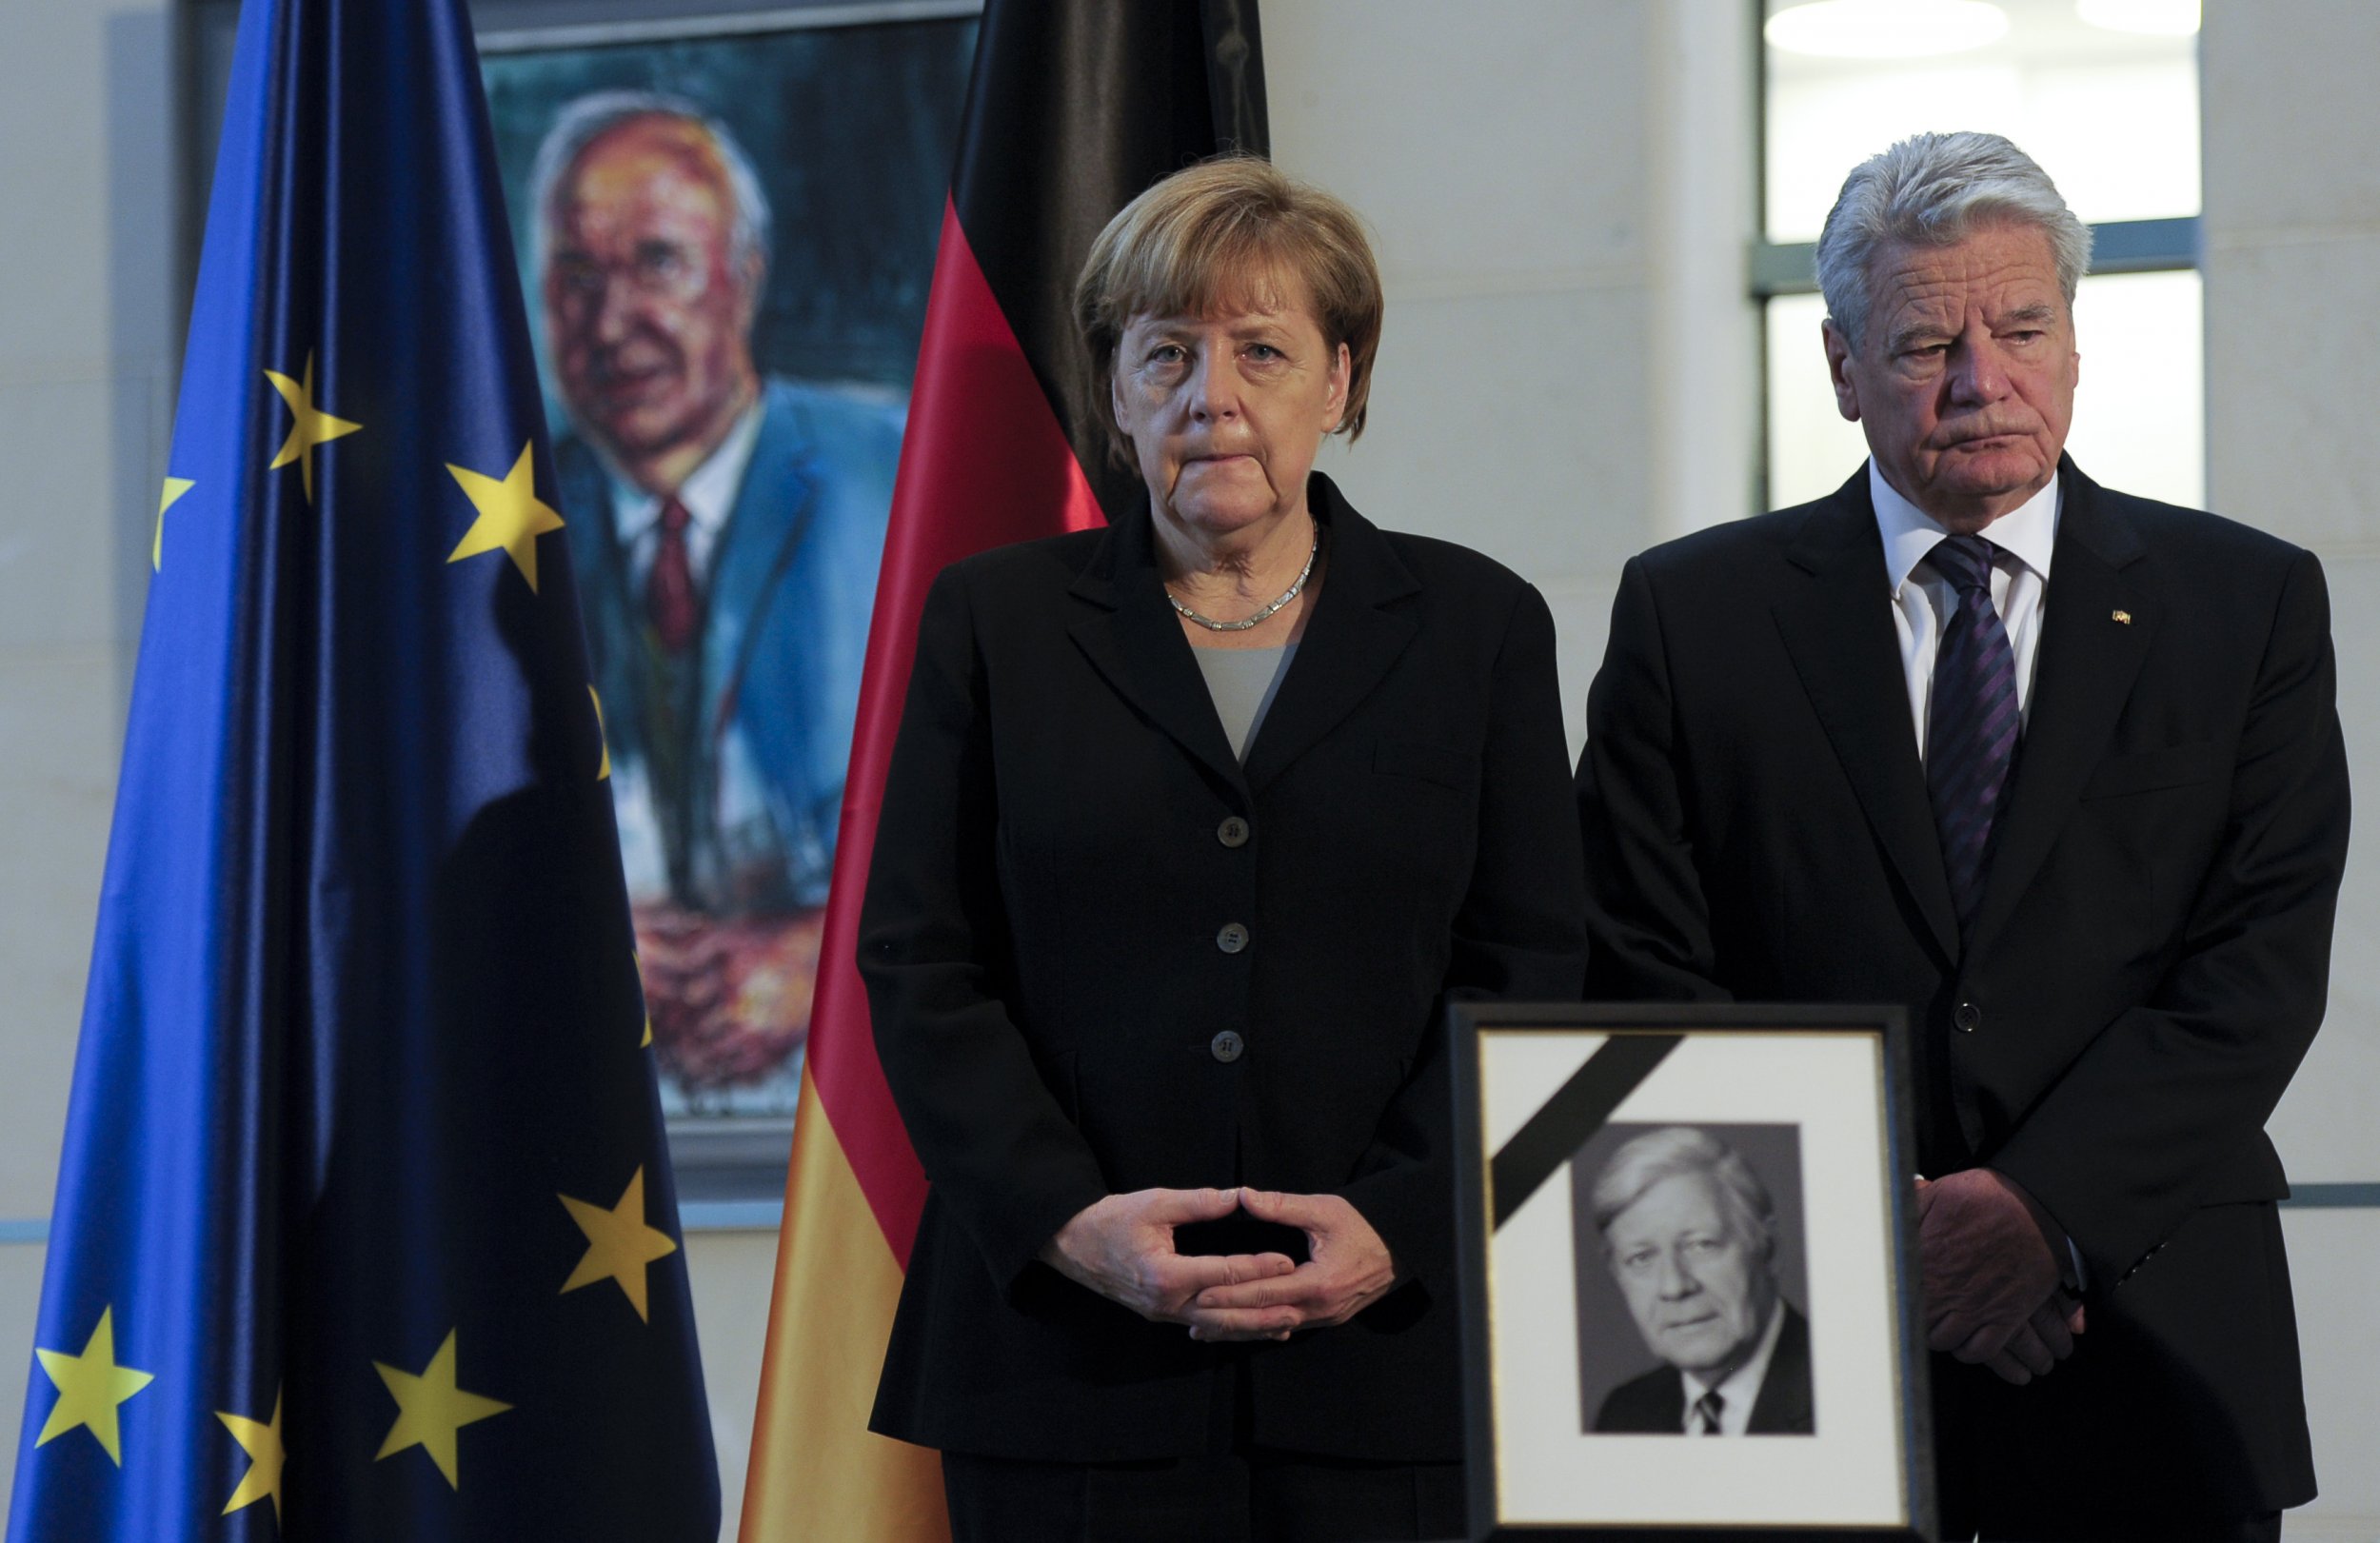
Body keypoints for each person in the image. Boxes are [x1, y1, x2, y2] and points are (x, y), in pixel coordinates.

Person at [1576, 130, 2348, 1539]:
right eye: (1927, 339)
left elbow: (2255, 975)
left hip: (2152, 1337)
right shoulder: (1694, 621)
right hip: (1800, 1356)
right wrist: (1890, 1254)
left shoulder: (2245, 607)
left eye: (2022, 328)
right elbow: (1646, 979)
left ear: (2072, 343)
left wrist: (2037, 1217)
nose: (1980, 379)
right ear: (1840, 366)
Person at [858, 156, 1587, 1542]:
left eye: (1263, 349)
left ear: (1342, 379)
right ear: (1114, 387)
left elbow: (1535, 966)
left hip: (1395, 1367)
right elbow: (918, 957)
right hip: (1064, 1366)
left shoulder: (1478, 626)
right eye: (1167, 354)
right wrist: (1069, 1220)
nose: (1215, 397)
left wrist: (1400, 1224)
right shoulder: (994, 622)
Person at [531, 92, 902, 1101]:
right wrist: (564, 936)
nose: (612, 324)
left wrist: (831, 957)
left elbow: (1040, 810)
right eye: (575, 277)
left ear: (742, 281)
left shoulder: (906, 484)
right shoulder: (480, 547)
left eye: (656, 263)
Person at [1588, 1128, 1813, 1436]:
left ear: (1769, 1251)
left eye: (1702, 1245)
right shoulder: (1624, 1413)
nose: (1674, 1287)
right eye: (1642, 1258)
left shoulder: (1844, 1387)